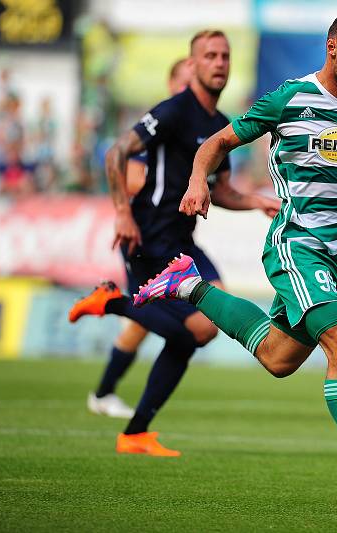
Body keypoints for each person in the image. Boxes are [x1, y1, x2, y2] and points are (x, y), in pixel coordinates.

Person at [133, 10, 337, 511]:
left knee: (278, 357)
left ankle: (189, 285)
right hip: (296, 245)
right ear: (332, 48)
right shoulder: (289, 98)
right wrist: (197, 180)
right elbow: (217, 142)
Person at [68, 30, 279, 454]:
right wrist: (123, 213)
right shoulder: (174, 111)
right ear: (194, 63)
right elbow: (116, 153)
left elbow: (218, 191)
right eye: (210, 55)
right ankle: (112, 303)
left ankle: (134, 433)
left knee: (199, 331)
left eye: (224, 56)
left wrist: (256, 201)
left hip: (183, 242)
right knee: (194, 331)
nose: (219, 62)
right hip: (148, 238)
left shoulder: (221, 127)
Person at [73, 58, 195, 419]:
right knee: (158, 317)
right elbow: (130, 176)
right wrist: (182, 186)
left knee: (145, 321)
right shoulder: (158, 127)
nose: (191, 90)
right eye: (184, 83)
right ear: (172, 85)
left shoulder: (192, 131)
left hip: (172, 239)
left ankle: (104, 392)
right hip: (147, 238)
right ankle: (106, 389)